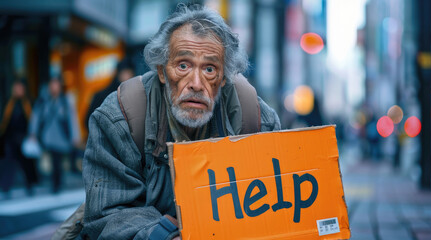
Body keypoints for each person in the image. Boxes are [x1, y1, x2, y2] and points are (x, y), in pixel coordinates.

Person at [80, 4, 280, 240]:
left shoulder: (258, 121)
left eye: (209, 69)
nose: (196, 83)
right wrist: (167, 236)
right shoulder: (119, 118)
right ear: (162, 71)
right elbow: (109, 214)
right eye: (183, 66)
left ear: (224, 79)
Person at [29, 76, 80, 193]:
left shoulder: (65, 101)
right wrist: (33, 133)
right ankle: (54, 183)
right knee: (52, 161)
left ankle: (57, 182)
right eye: (52, 85)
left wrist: (75, 136)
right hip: (47, 137)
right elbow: (36, 118)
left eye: (56, 85)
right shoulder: (43, 101)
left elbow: (72, 120)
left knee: (58, 162)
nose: (54, 87)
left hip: (61, 137)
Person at [0, 79, 37, 196]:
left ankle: (30, 185)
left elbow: (33, 121)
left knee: (27, 164)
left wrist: (32, 135)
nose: (17, 90)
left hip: (24, 138)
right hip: (10, 139)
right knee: (8, 163)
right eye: (16, 88)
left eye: (19, 88)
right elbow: (4, 122)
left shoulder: (28, 103)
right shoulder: (9, 103)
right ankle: (6, 187)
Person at [85, 58, 135, 131]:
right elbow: (88, 121)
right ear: (118, 74)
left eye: (129, 74)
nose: (127, 77)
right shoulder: (101, 96)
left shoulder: (134, 95)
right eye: (125, 73)